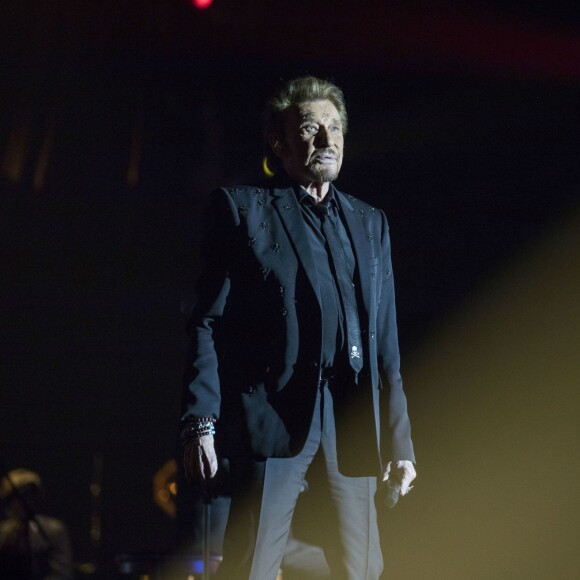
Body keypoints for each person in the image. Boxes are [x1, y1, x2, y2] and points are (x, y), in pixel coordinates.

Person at [180, 75, 416, 579]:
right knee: (254, 566)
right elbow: (207, 321)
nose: (327, 141)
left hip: (352, 416)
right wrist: (201, 423)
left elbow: (386, 345)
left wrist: (400, 444)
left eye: (335, 128)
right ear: (280, 142)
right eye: (311, 128)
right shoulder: (244, 210)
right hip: (273, 410)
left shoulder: (370, 222)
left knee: (364, 568)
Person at [0, 468, 73, 579]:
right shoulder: (3, 532)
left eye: (29, 495)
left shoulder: (53, 530)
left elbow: (61, 574)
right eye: (9, 498)